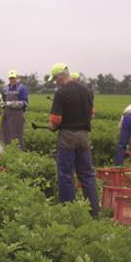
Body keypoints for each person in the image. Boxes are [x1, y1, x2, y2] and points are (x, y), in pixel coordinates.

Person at [47, 62, 100, 217]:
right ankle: (94, 211)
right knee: (87, 174)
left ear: (59, 77)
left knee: (65, 174)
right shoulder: (87, 91)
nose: (55, 82)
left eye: (55, 79)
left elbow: (56, 120)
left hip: (67, 137)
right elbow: (91, 114)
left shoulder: (61, 93)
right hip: (84, 137)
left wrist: (53, 126)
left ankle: (69, 210)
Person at [0, 70, 29, 149]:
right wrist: (1, 103)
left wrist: (12, 104)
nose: (12, 80)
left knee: (16, 133)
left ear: (17, 78)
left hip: (17, 115)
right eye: (11, 78)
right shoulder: (5, 88)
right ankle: (6, 148)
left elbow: (25, 103)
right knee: (5, 131)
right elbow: (2, 100)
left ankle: (19, 150)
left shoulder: (22, 88)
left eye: (14, 78)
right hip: (7, 114)